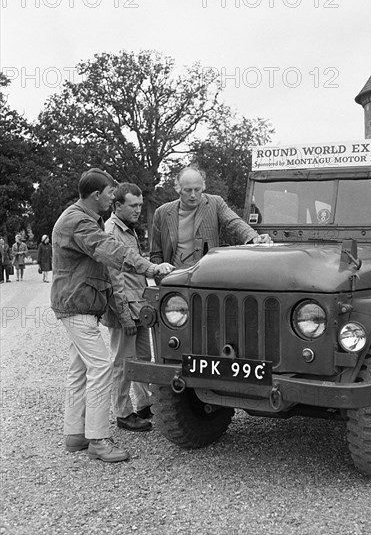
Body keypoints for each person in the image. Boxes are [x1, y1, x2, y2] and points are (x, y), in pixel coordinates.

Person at [51, 168, 174, 463]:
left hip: (77, 304)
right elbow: (110, 250)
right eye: (109, 194)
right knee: (101, 367)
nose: (112, 199)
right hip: (77, 306)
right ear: (96, 195)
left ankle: (75, 434)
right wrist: (150, 268)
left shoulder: (79, 217)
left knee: (79, 370)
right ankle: (98, 440)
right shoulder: (80, 222)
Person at [150, 165, 271, 279]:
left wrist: (254, 237)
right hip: (175, 280)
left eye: (197, 190)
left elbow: (234, 222)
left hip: (207, 278)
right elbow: (156, 254)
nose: (193, 195)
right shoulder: (162, 213)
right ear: (178, 189)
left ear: (203, 187)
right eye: (188, 190)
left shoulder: (215, 203)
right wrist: (161, 277)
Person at [101, 183, 153, 433]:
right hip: (126, 311)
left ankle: (144, 403)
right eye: (133, 205)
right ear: (118, 205)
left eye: (140, 205)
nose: (138, 210)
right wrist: (124, 317)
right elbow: (114, 279)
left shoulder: (127, 229)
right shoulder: (111, 230)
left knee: (143, 358)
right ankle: (123, 413)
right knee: (122, 362)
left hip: (139, 306)